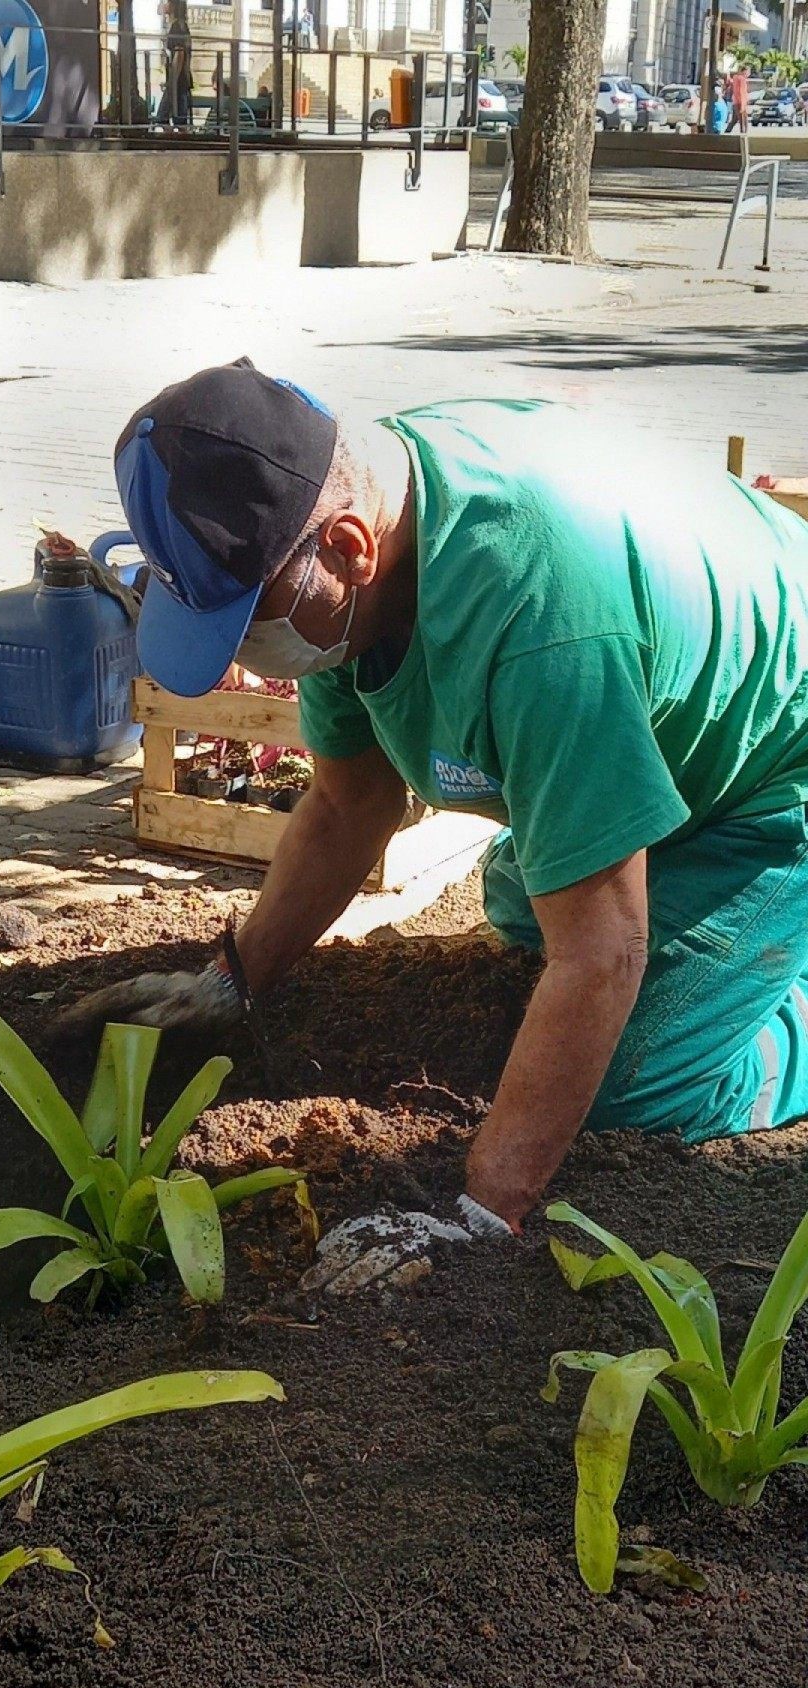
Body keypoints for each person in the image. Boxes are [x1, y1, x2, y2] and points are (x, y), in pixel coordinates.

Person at [63, 361, 808, 1244]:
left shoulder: (539, 622)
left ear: (350, 549)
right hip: (678, 703)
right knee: (532, 908)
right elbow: (348, 807)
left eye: (249, 619)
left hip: (779, 764)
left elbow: (604, 951)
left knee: (637, 1092)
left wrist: (482, 1211)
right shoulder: (359, 539)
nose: (248, 653)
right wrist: (232, 981)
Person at [157, 0, 193, 126]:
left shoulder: (177, 27)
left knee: (163, 116)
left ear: (173, 6)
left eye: (167, 2)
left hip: (177, 80)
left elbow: (179, 53)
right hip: (181, 79)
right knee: (178, 118)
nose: (164, 4)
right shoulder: (181, 25)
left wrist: (172, 79)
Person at [726, 64, 749, 132]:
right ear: (744, 71)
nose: (748, 73)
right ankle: (743, 134)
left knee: (735, 119)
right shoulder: (742, 79)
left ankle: (727, 131)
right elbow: (741, 92)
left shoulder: (735, 77)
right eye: (748, 71)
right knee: (743, 120)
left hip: (735, 101)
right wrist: (743, 105)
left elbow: (729, 82)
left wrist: (728, 74)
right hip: (740, 102)